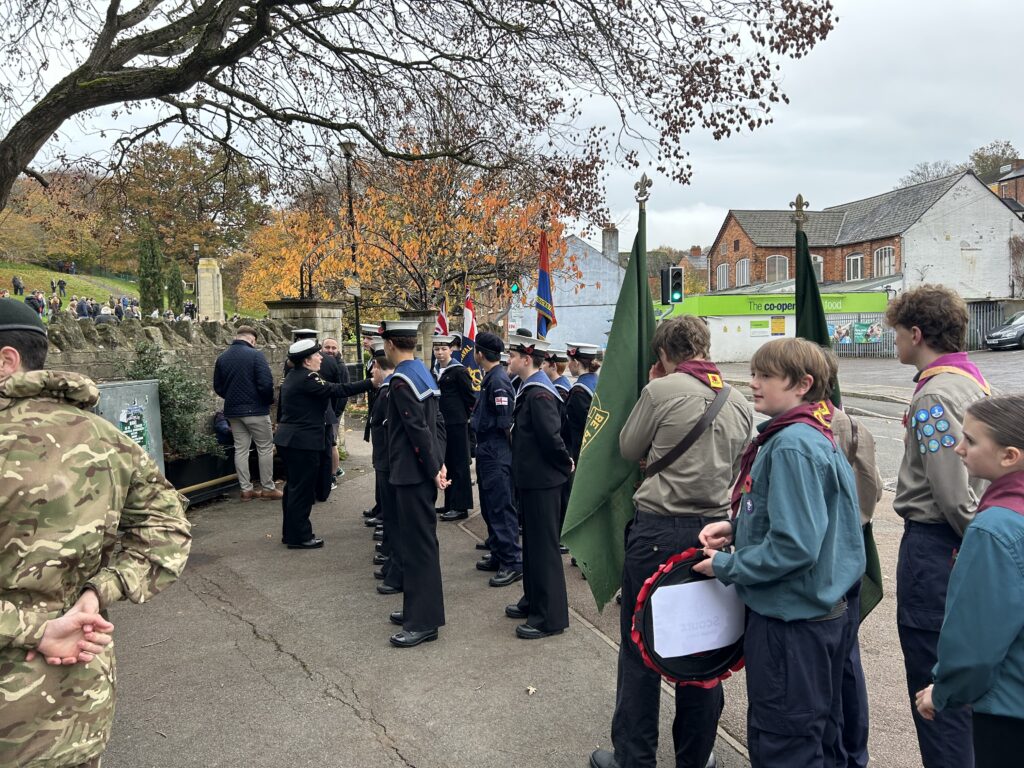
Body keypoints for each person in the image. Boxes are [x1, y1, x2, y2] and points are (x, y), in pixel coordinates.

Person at [0, 297, 191, 766]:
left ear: (7, 360)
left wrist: (33, 628)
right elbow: (168, 530)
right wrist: (96, 593)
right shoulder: (107, 439)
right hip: (78, 699)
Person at [694, 337, 865, 768]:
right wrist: (737, 526)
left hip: (793, 625)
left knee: (785, 743)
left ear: (803, 384)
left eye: (765, 376)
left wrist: (727, 565)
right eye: (754, 373)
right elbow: (810, 523)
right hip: (813, 619)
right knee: (818, 735)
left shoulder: (792, 445)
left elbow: (795, 547)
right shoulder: (809, 434)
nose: (753, 383)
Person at [591, 317, 753, 768]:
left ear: (663, 355)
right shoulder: (737, 399)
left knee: (642, 644)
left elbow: (628, 448)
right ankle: (695, 756)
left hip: (660, 530)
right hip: (716, 533)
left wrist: (652, 389)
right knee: (704, 649)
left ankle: (635, 757)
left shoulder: (660, 392)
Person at [885, 284, 989, 768]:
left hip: (936, 548)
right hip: (957, 545)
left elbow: (953, 494)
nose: (895, 343)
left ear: (917, 333)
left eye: (899, 334)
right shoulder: (972, 381)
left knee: (934, 688)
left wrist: (983, 547)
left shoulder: (934, 395)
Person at [915, 395, 1024, 768]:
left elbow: (976, 639)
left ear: (1010, 456)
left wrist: (943, 691)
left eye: (972, 441)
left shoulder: (995, 528)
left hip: (1009, 712)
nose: (958, 448)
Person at [821, 347, 882, 768]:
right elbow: (873, 488)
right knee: (848, 661)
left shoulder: (807, 429)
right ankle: (853, 753)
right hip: (854, 547)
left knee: (821, 663)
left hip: (823, 557)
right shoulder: (856, 426)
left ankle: (831, 752)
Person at [380, 319, 448, 648]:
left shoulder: (401, 381)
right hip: (423, 470)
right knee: (418, 544)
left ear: (390, 345)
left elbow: (417, 430)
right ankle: (418, 609)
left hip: (412, 473)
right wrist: (440, 462)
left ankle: (423, 621)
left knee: (419, 546)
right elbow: (437, 423)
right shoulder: (423, 372)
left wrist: (434, 467)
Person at [274, 338, 373, 549]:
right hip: (302, 442)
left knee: (294, 488)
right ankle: (300, 536)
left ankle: (291, 533)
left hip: (291, 440)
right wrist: (370, 383)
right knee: (302, 490)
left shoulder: (294, 375)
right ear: (307, 361)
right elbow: (337, 390)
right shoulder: (308, 377)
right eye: (317, 355)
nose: (321, 358)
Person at [506, 334, 574, 640]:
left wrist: (565, 462)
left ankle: (550, 617)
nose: (509, 361)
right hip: (532, 481)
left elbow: (551, 438)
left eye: (512, 356)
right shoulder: (528, 389)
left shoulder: (539, 394)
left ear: (525, 358)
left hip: (543, 483)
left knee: (544, 549)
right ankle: (533, 600)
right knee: (532, 545)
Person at [471, 332, 522, 587]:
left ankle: (512, 561)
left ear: (479, 354)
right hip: (488, 449)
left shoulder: (498, 381)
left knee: (501, 507)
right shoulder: (490, 377)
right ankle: (499, 551)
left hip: (496, 450)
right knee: (490, 505)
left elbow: (505, 421)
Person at [213, 326, 281, 501]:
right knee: (265, 448)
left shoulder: (222, 358)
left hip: (233, 411)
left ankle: (246, 490)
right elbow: (266, 384)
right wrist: (267, 401)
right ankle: (267, 488)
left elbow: (218, 387)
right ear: (252, 340)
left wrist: (232, 398)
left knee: (240, 449)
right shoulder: (256, 355)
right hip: (256, 410)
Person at [368, 342, 404, 592]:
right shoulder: (386, 390)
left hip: (389, 462)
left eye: (373, 371)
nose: (372, 375)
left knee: (394, 517)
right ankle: (391, 560)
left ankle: (395, 564)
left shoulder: (390, 390)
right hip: (385, 461)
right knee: (390, 517)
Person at [432, 334, 476, 522]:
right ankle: (450, 502)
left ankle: (461, 506)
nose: (440, 353)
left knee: (459, 464)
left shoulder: (458, 371)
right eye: (437, 349)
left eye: (444, 349)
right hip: (441, 423)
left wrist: (465, 418)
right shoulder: (434, 371)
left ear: (452, 350)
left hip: (457, 423)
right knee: (446, 462)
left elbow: (470, 398)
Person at [321, 336, 351, 483]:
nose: (330, 350)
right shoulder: (322, 363)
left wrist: (336, 413)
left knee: (331, 442)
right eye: (327, 347)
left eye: (333, 348)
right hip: (325, 412)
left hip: (333, 412)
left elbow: (343, 393)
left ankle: (333, 474)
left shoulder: (340, 367)